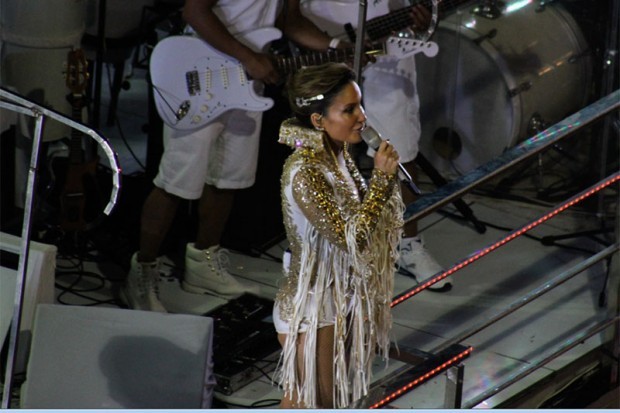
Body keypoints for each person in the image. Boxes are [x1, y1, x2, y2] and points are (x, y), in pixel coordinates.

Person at [121, 0, 343, 312]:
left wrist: (335, 45)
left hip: (248, 82)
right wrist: (249, 57)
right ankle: (142, 272)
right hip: (200, 69)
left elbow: (290, 20)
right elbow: (195, 11)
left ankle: (203, 264)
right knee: (175, 181)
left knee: (228, 177)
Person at [273, 63, 404, 408]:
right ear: (318, 120)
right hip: (313, 306)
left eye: (360, 105)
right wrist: (381, 182)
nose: (362, 117)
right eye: (349, 109)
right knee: (311, 403)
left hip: (340, 296)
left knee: (323, 402)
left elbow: (363, 218)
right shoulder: (305, 172)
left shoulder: (339, 155)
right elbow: (351, 238)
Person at [300, 0, 453, 292]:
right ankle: (324, 243)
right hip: (323, 33)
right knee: (322, 149)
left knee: (400, 146)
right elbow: (289, 16)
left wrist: (425, 21)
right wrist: (331, 44)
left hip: (389, 42)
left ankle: (406, 244)